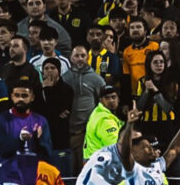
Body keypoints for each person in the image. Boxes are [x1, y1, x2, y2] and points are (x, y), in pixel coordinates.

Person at [63, 45, 105, 175]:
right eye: (76, 56)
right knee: (70, 171)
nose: (80, 59)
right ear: (71, 58)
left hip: (87, 132)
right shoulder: (64, 78)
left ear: (88, 57)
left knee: (85, 170)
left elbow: (103, 103)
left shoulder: (96, 79)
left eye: (83, 55)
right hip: (68, 132)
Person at [37, 58, 74, 177]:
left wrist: (48, 90)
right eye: (46, 68)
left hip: (60, 140)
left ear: (59, 70)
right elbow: (38, 112)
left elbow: (58, 110)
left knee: (62, 176)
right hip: (42, 140)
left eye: (53, 68)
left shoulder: (67, 89)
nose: (49, 71)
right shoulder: (37, 89)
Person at [83, 85, 123, 160]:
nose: (111, 100)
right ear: (101, 100)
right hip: (101, 162)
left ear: (118, 99)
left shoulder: (97, 111)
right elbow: (115, 147)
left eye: (113, 97)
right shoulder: (106, 120)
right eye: (107, 98)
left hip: (93, 159)